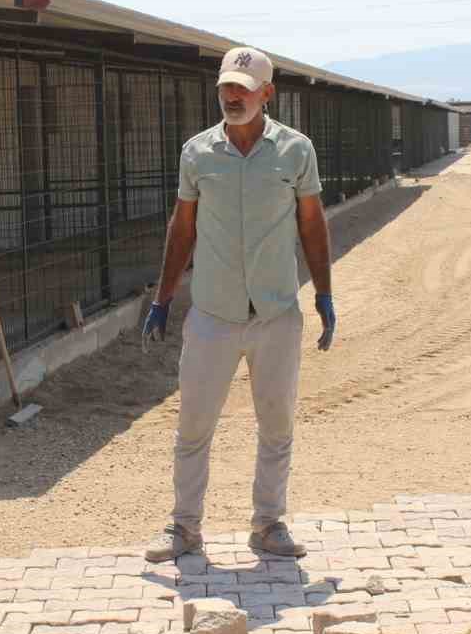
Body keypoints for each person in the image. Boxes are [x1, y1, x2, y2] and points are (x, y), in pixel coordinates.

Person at [140, 46, 336, 563]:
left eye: (243, 89)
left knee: (277, 424)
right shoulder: (197, 153)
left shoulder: (296, 151)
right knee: (193, 425)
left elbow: (312, 223)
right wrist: (163, 298)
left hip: (275, 312)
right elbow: (182, 227)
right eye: (226, 87)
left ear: (266, 93)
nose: (232, 96)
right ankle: (184, 527)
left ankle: (268, 525)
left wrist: (323, 292)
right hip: (213, 314)